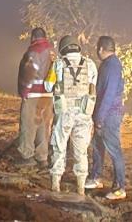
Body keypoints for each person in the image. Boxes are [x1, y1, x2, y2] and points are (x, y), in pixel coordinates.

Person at [45, 35, 97, 195]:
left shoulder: (58, 64)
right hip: (84, 114)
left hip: (64, 115)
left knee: (59, 148)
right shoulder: (90, 64)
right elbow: (92, 86)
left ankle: (56, 185)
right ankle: (81, 187)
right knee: (81, 152)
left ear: (63, 48)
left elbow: (48, 86)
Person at [85, 36, 127, 200]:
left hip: (109, 114)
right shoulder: (110, 64)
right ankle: (96, 177)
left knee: (114, 150)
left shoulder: (111, 66)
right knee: (97, 146)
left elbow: (108, 95)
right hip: (105, 113)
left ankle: (119, 187)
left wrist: (100, 118)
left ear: (101, 49)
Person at [16, 27, 55, 168]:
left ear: (33, 37)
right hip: (48, 95)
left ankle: (27, 156)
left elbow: (29, 73)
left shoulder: (34, 51)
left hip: (33, 94)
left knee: (28, 125)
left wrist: (24, 91)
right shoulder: (52, 51)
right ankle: (42, 157)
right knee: (44, 126)